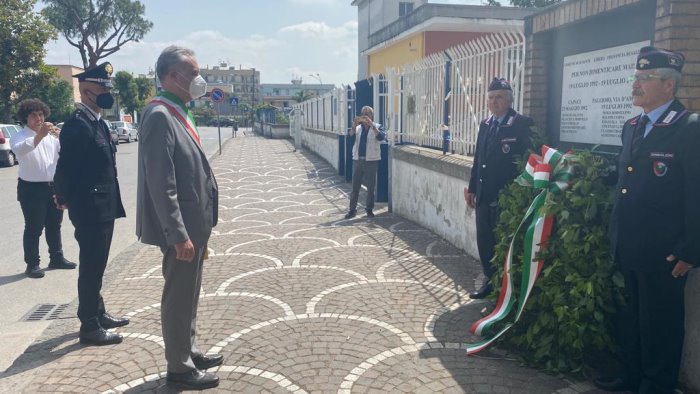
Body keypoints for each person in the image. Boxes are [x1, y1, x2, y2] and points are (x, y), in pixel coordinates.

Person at [595, 46, 699, 394]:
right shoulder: (633, 126)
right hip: (628, 242)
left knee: (661, 322)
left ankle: (656, 385)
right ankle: (632, 375)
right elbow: (626, 174)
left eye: (644, 78)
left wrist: (690, 250)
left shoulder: (689, 128)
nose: (635, 84)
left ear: (668, 85)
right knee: (630, 318)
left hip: (665, 251)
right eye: (635, 77)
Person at [136, 45, 220, 390]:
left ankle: (189, 349)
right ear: (173, 76)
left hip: (195, 225)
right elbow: (161, 182)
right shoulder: (159, 114)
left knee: (190, 293)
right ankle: (180, 368)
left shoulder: (178, 111)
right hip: (182, 230)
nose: (199, 80)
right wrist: (177, 234)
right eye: (194, 73)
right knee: (178, 296)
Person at [53, 62, 129, 346]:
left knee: (98, 264)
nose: (107, 92)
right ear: (86, 91)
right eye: (102, 87)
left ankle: (98, 311)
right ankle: (89, 325)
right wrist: (62, 197)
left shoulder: (97, 121)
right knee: (91, 266)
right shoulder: (77, 124)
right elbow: (66, 167)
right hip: (89, 206)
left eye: (108, 87)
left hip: (104, 203)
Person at [466, 78, 533, 299]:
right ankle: (490, 282)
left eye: (499, 97)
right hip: (484, 195)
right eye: (491, 98)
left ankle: (507, 290)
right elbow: (479, 158)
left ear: (510, 99)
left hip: (507, 198)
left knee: (505, 245)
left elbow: (529, 161)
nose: (494, 102)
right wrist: (472, 188)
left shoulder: (522, 124)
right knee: (485, 242)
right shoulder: (486, 124)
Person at [11, 99, 76, 278]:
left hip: (53, 186)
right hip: (31, 188)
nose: (39, 118)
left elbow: (66, 153)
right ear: (26, 117)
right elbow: (21, 150)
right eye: (34, 115)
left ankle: (56, 257)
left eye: (41, 114)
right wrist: (40, 135)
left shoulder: (51, 136)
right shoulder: (20, 136)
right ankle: (32, 264)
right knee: (33, 227)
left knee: (54, 225)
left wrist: (61, 135)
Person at [344, 105, 385, 219]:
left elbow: (381, 137)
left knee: (371, 187)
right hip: (358, 160)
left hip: (371, 161)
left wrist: (372, 126)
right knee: (355, 187)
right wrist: (353, 126)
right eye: (364, 114)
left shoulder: (378, 126)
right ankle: (352, 210)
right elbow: (349, 140)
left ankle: (369, 210)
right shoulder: (357, 128)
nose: (366, 116)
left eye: (368, 114)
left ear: (372, 116)